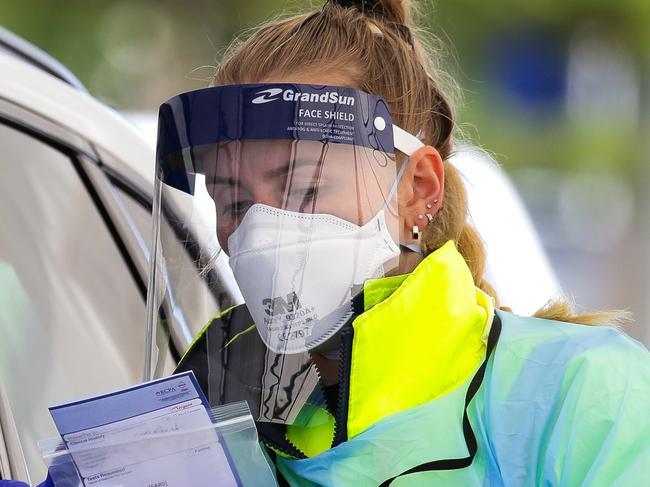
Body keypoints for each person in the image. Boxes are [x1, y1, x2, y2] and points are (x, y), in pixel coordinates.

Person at [4, 0, 648, 485]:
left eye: (303, 187)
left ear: (417, 190)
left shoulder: (580, 396)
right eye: (232, 200)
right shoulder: (210, 417)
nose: (257, 229)